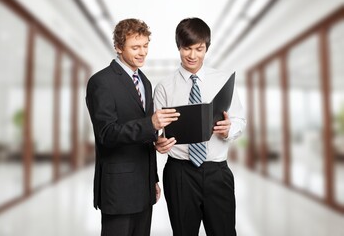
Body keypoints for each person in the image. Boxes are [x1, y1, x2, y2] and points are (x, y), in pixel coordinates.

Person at [86, 18, 179, 236]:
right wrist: (151, 124)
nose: (142, 52)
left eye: (145, 46)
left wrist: (153, 176)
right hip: (118, 189)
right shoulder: (101, 82)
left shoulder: (145, 81)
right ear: (118, 47)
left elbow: (143, 135)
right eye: (135, 47)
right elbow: (106, 133)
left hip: (143, 188)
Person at [154, 17, 246, 236]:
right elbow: (156, 131)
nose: (193, 55)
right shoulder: (164, 87)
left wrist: (229, 129)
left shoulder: (223, 81)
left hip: (217, 172)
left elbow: (240, 120)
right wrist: (158, 142)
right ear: (178, 47)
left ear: (207, 48)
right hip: (180, 172)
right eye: (187, 48)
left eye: (199, 49)